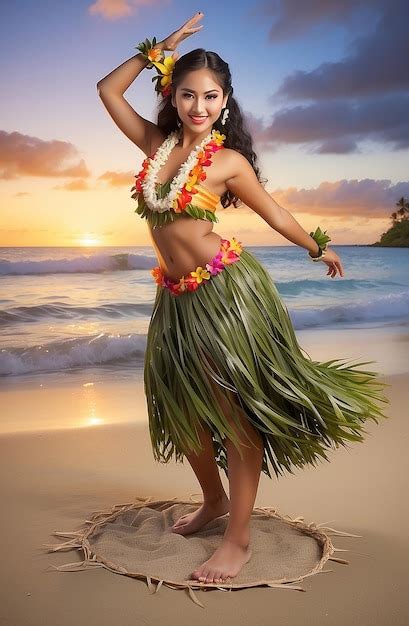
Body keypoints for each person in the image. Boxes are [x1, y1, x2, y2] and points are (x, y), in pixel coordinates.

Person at [96, 11, 390, 586]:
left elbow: (273, 211)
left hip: (227, 296)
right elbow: (108, 89)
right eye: (187, 94)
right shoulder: (155, 146)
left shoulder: (227, 163)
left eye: (210, 96)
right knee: (184, 413)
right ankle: (213, 502)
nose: (198, 107)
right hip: (176, 302)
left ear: (225, 101)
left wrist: (317, 247)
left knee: (230, 413)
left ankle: (240, 538)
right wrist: (167, 46)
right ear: (172, 96)